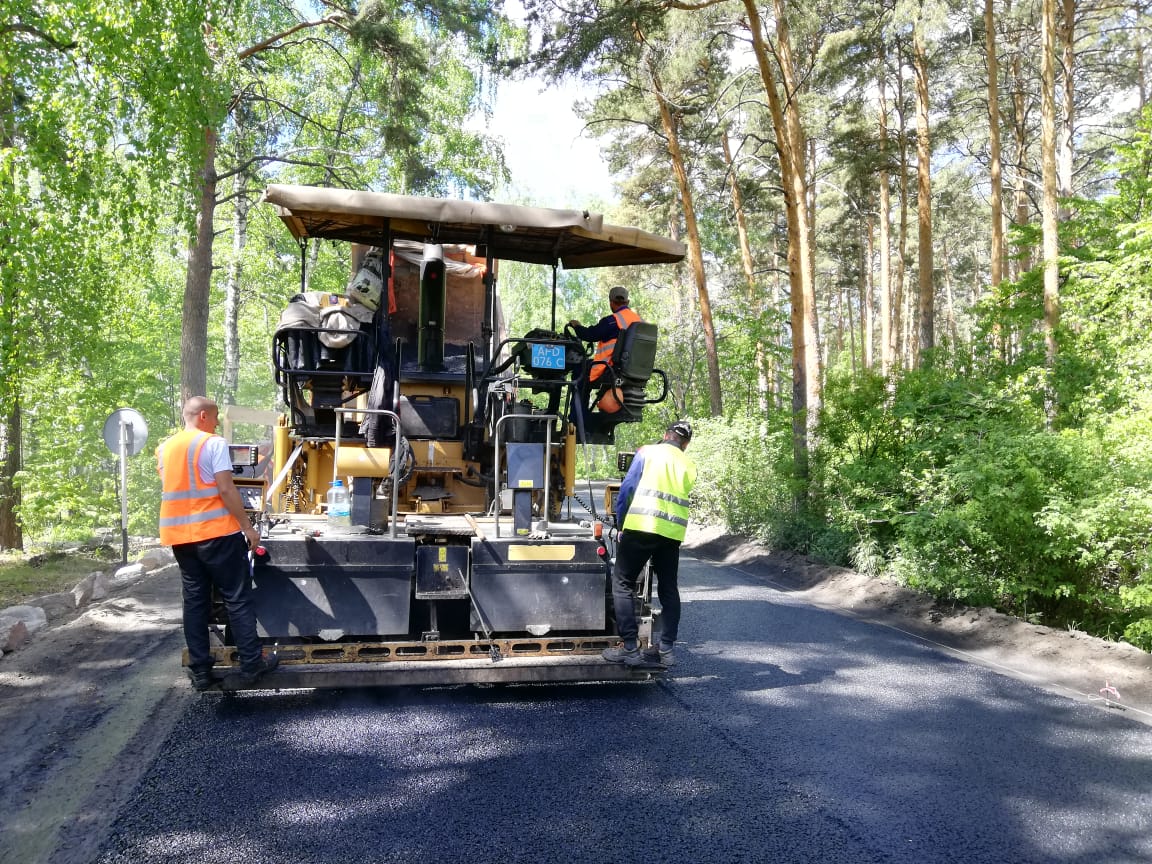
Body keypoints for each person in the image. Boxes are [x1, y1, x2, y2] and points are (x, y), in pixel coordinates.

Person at [156, 396, 278, 690]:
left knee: (195, 602)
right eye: (214, 418)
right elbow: (225, 488)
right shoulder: (213, 444)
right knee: (236, 597)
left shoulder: (164, 448)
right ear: (201, 417)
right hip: (216, 534)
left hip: (181, 538)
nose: (216, 423)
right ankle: (252, 664)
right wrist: (247, 528)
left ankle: (200, 671)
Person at [602, 420, 697, 667]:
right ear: (685, 444)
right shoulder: (689, 465)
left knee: (622, 583)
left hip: (641, 527)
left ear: (665, 435)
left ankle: (630, 649)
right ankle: (665, 650)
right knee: (668, 589)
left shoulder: (647, 452)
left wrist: (621, 524)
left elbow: (628, 488)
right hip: (671, 533)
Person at [567, 285, 641, 426]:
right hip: (631, 370)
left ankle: (577, 420)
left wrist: (576, 326)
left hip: (610, 369)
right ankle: (587, 417)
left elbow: (590, 335)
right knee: (585, 367)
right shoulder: (639, 322)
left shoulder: (612, 321)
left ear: (611, 302)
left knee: (579, 372)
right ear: (628, 302)